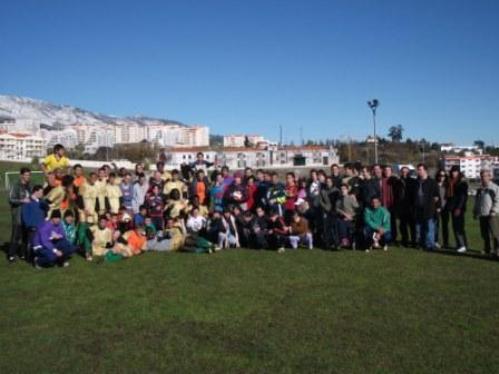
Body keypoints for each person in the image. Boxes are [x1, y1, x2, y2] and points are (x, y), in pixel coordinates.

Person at [412, 164, 440, 250]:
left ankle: (430, 245)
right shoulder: (416, 182)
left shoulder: (432, 182)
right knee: (418, 228)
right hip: (418, 209)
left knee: (429, 228)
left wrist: (436, 206)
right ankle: (420, 244)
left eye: (420, 169)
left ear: (425, 170)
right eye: (418, 170)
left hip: (428, 209)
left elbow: (436, 196)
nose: (418, 171)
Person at [7, 167, 32, 262]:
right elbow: (10, 199)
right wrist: (22, 200)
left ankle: (22, 253)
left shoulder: (30, 186)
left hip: (28, 215)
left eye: (29, 175)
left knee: (25, 236)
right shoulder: (16, 185)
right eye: (26, 175)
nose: (28, 177)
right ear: (21, 175)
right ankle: (11, 255)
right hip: (18, 214)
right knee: (16, 236)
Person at [473, 169, 499, 256]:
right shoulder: (480, 189)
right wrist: (475, 211)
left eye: (485, 176)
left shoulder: (494, 188)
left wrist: (494, 210)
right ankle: (487, 249)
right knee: (484, 234)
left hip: (492, 214)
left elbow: (497, 200)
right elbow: (477, 201)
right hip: (482, 214)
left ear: (489, 177)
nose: (483, 178)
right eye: (481, 176)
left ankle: (497, 250)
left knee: (495, 234)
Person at [21, 185, 48, 261]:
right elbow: (25, 215)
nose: (42, 193)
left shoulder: (41, 201)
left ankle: (38, 257)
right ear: (36, 192)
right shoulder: (28, 201)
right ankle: (29, 257)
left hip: (41, 226)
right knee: (32, 242)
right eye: (41, 192)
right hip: (32, 226)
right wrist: (29, 225)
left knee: (40, 242)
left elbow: (45, 211)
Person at [446, 165, 469, 253]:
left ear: (458, 173)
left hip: (458, 208)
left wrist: (459, 208)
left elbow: (463, 197)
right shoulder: (452, 182)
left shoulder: (462, 183)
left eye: (455, 171)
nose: (453, 173)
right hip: (453, 207)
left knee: (459, 227)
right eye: (452, 171)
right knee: (455, 226)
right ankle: (460, 244)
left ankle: (462, 245)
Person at [335, 184, 359, 248]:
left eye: (344, 189)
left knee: (343, 223)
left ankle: (346, 240)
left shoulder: (351, 198)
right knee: (339, 222)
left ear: (347, 190)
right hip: (342, 218)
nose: (342, 190)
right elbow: (337, 209)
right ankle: (343, 241)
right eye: (341, 189)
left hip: (351, 218)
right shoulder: (338, 200)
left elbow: (357, 209)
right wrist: (344, 214)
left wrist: (351, 217)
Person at [435, 169, 450, 249]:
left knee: (445, 226)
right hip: (437, 209)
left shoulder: (447, 185)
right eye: (440, 175)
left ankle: (446, 242)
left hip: (445, 208)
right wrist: (437, 207)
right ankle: (436, 241)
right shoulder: (435, 184)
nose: (442, 177)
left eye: (443, 175)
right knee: (436, 226)